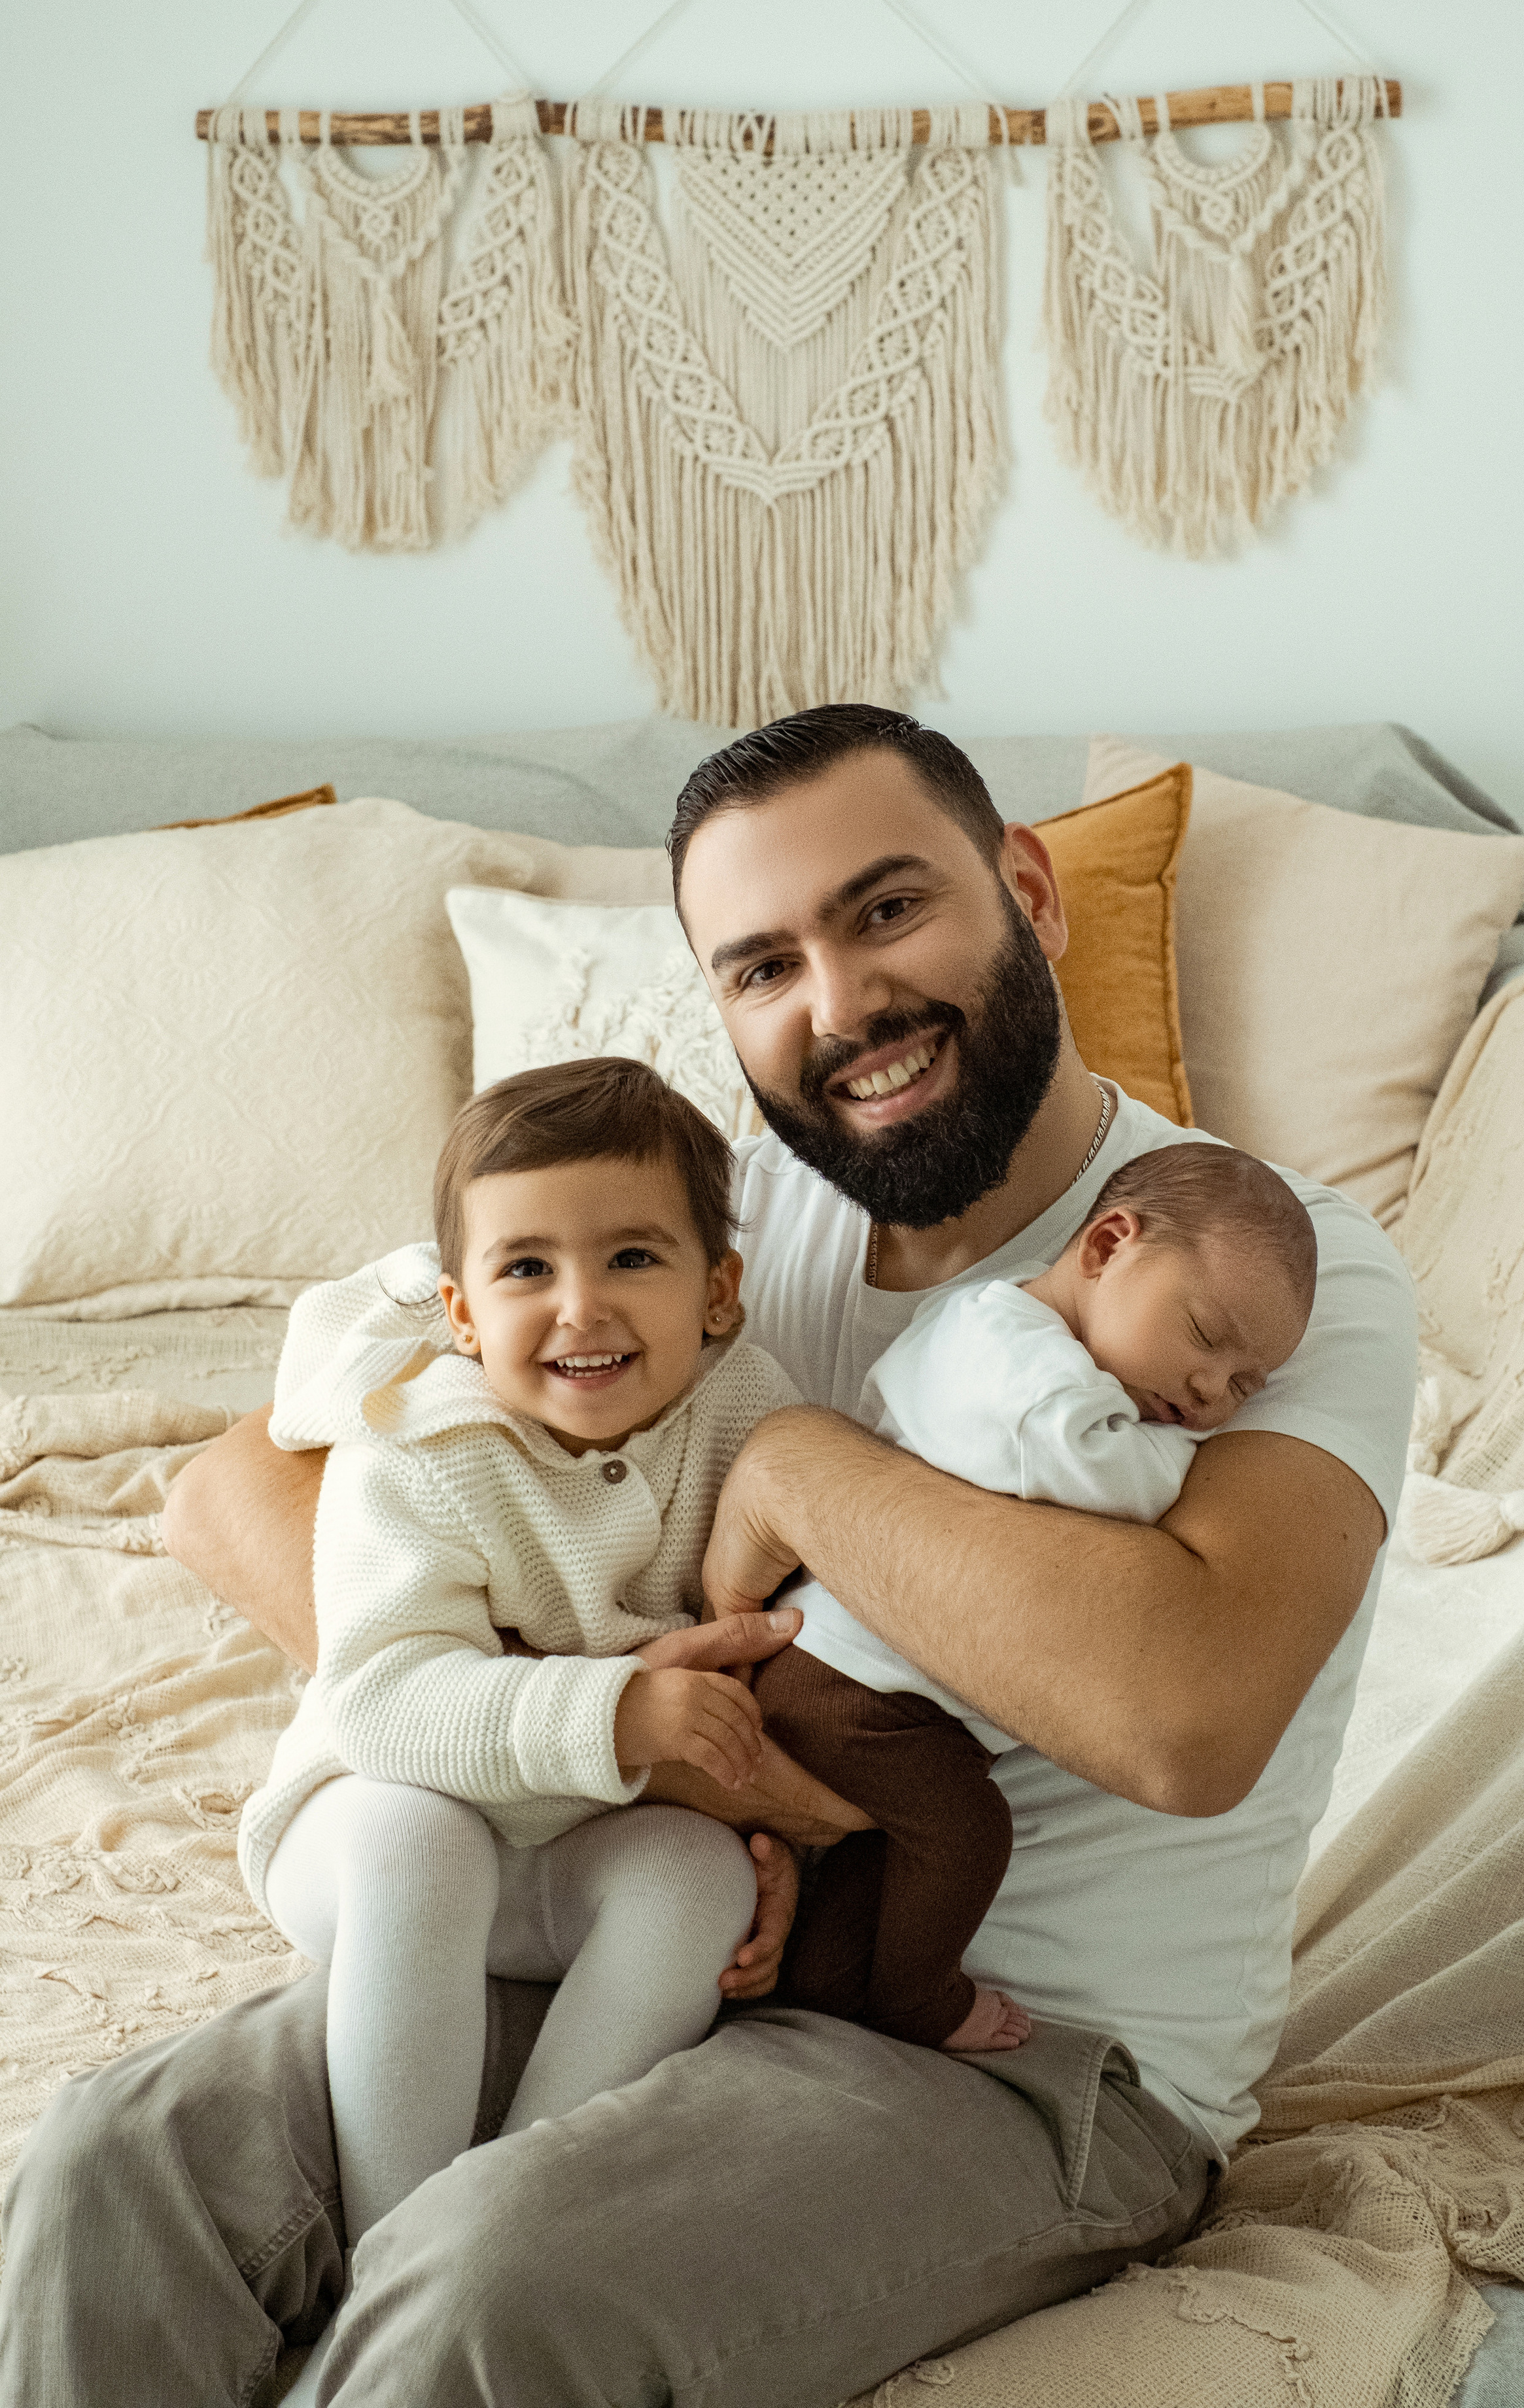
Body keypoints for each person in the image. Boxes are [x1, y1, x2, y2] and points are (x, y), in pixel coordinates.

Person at [0, 704, 1416, 2408]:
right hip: (650, 1922)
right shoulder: (719, 1223)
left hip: (1024, 2053)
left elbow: (1189, 1715)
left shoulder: (1261, 1270)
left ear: (1029, 891)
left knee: (483, 2288)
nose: (839, 1006)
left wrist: (807, 1472)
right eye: (761, 966)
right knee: (107, 2174)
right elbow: (239, 1487)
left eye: (891, 911)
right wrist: (593, 1727)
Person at [243, 1056, 805, 2248]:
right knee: (420, 1837)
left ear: (719, 1291)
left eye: (632, 1258)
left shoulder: (752, 1415)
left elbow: (804, 1656)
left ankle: (503, 2225)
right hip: (363, 1830)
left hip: (563, 1862)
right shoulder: (415, 1444)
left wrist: (780, 1845)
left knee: (695, 1879)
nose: (581, 1307)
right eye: (527, 1269)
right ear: (462, 1313)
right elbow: (383, 1700)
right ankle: (389, 2253)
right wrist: (613, 1716)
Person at [759, 1139, 1318, 2057]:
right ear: (1107, 1247)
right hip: (848, 1681)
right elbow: (1088, 1466)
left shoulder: (1029, 1345)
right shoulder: (1012, 1348)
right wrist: (1209, 1471)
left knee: (884, 1862)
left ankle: (821, 1994)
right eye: (1207, 1337)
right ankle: (919, 2005)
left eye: (1247, 1384)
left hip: (876, 1692)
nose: (1213, 1389)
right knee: (968, 1833)